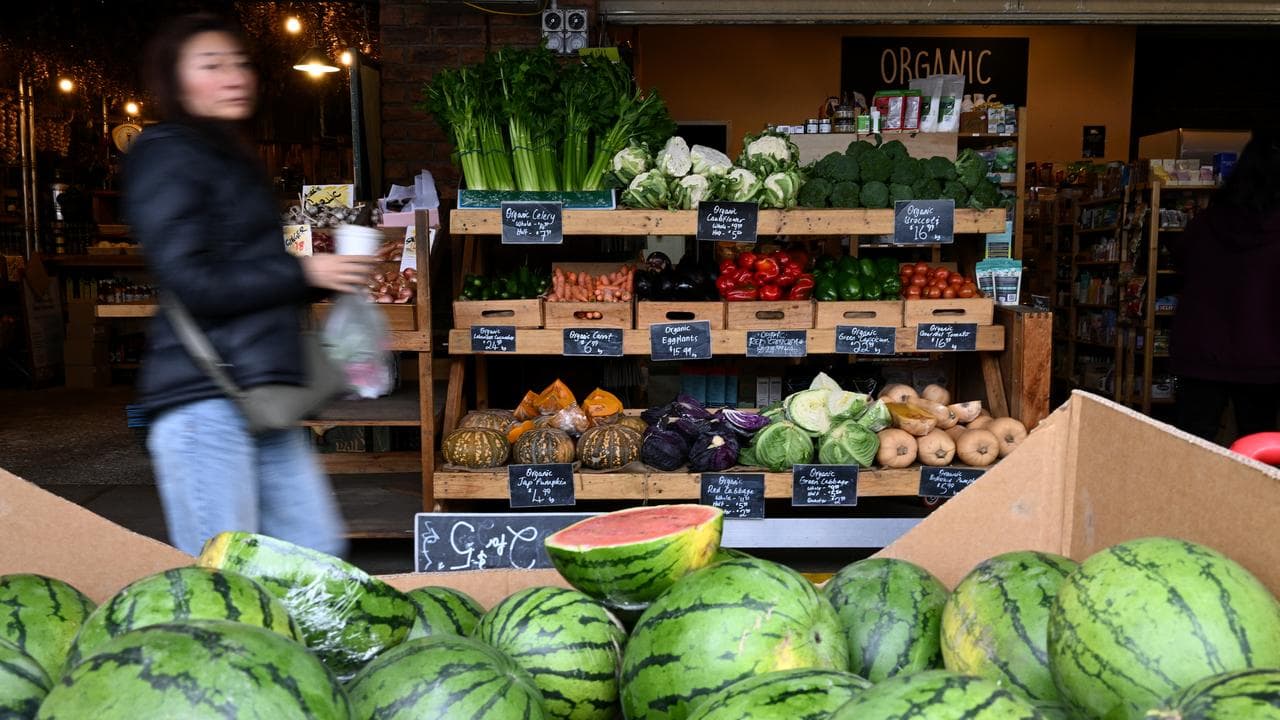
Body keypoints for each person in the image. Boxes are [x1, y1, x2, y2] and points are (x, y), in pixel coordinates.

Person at [125, 14, 375, 556]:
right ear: (175, 80)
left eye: (238, 63)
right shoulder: (164, 153)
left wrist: (321, 278)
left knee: (315, 554)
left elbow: (246, 271)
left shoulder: (228, 158)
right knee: (227, 576)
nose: (233, 76)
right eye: (210, 65)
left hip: (261, 397)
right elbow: (192, 279)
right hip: (203, 401)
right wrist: (304, 272)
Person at [1171, 129, 1280, 443]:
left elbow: (1181, 260)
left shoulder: (1206, 223)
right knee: (1258, 448)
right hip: (1264, 356)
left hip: (1201, 352)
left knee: (1192, 445)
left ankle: (1185, 494)